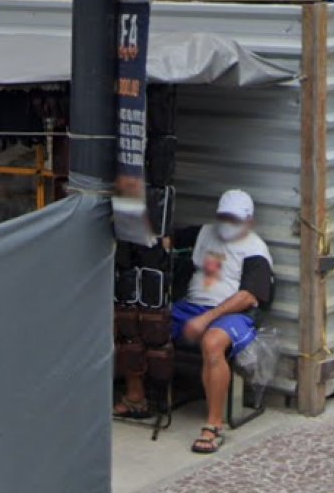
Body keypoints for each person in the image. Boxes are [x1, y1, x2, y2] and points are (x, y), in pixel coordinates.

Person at [113, 189, 273, 455]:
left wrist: (207, 319)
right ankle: (135, 398)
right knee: (137, 323)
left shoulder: (255, 249)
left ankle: (214, 425)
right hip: (190, 306)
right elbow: (169, 239)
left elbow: (248, 296)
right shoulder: (205, 233)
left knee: (212, 343)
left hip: (232, 313)